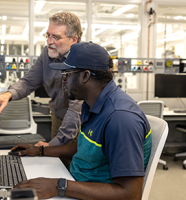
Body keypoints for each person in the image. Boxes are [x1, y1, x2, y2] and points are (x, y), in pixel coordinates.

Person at [11, 42, 152, 200]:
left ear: (85, 76)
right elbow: (84, 149)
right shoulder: (91, 104)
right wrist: (40, 151)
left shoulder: (120, 119)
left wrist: (57, 186)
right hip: (75, 183)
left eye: (67, 74)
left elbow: (131, 194)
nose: (63, 81)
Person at [0, 11, 83, 147]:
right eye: (48, 35)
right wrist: (8, 94)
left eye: (55, 37)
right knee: (57, 163)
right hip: (57, 116)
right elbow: (29, 81)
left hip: (82, 122)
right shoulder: (47, 54)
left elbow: (75, 109)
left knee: (75, 163)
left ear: (74, 39)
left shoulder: (82, 61)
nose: (49, 42)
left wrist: (50, 147)